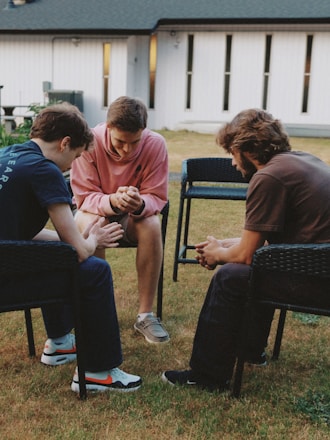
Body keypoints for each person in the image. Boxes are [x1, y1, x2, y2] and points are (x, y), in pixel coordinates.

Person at [162, 108, 330, 392]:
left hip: (319, 280)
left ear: (246, 149)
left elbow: (247, 256)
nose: (231, 162)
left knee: (231, 276)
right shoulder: (301, 161)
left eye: (231, 152)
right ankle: (251, 351)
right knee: (257, 267)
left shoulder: (268, 178)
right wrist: (226, 244)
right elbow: (267, 240)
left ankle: (207, 375)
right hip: (318, 265)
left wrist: (218, 255)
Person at [0, 103, 142, 393]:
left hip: (7, 259)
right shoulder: (46, 170)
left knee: (56, 256)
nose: (72, 164)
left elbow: (18, 233)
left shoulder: (7, 155)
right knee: (94, 269)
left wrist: (75, 240)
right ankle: (98, 371)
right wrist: (93, 240)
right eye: (76, 155)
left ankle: (61, 344)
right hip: (6, 278)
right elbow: (78, 252)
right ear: (65, 143)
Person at [70, 96, 169, 344]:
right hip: (96, 214)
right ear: (108, 128)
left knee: (152, 224)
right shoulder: (89, 143)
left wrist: (141, 203)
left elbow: (157, 196)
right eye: (120, 142)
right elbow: (82, 196)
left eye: (135, 142)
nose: (128, 150)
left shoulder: (156, 144)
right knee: (91, 221)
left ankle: (146, 315)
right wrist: (112, 201)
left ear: (143, 131)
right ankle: (99, 314)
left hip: (134, 219)